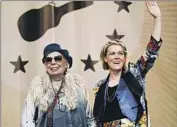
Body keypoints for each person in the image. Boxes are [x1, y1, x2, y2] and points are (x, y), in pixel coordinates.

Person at [93, 1, 162, 127]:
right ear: (106, 58)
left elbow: (152, 51)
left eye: (120, 53)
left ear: (125, 57)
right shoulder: (100, 86)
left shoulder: (135, 74)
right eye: (112, 53)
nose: (117, 57)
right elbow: (97, 120)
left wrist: (157, 18)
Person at [21, 43, 96, 127]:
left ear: (66, 63)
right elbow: (27, 121)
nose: (53, 62)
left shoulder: (78, 84)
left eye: (57, 59)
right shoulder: (38, 86)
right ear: (45, 64)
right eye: (48, 60)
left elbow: (90, 119)